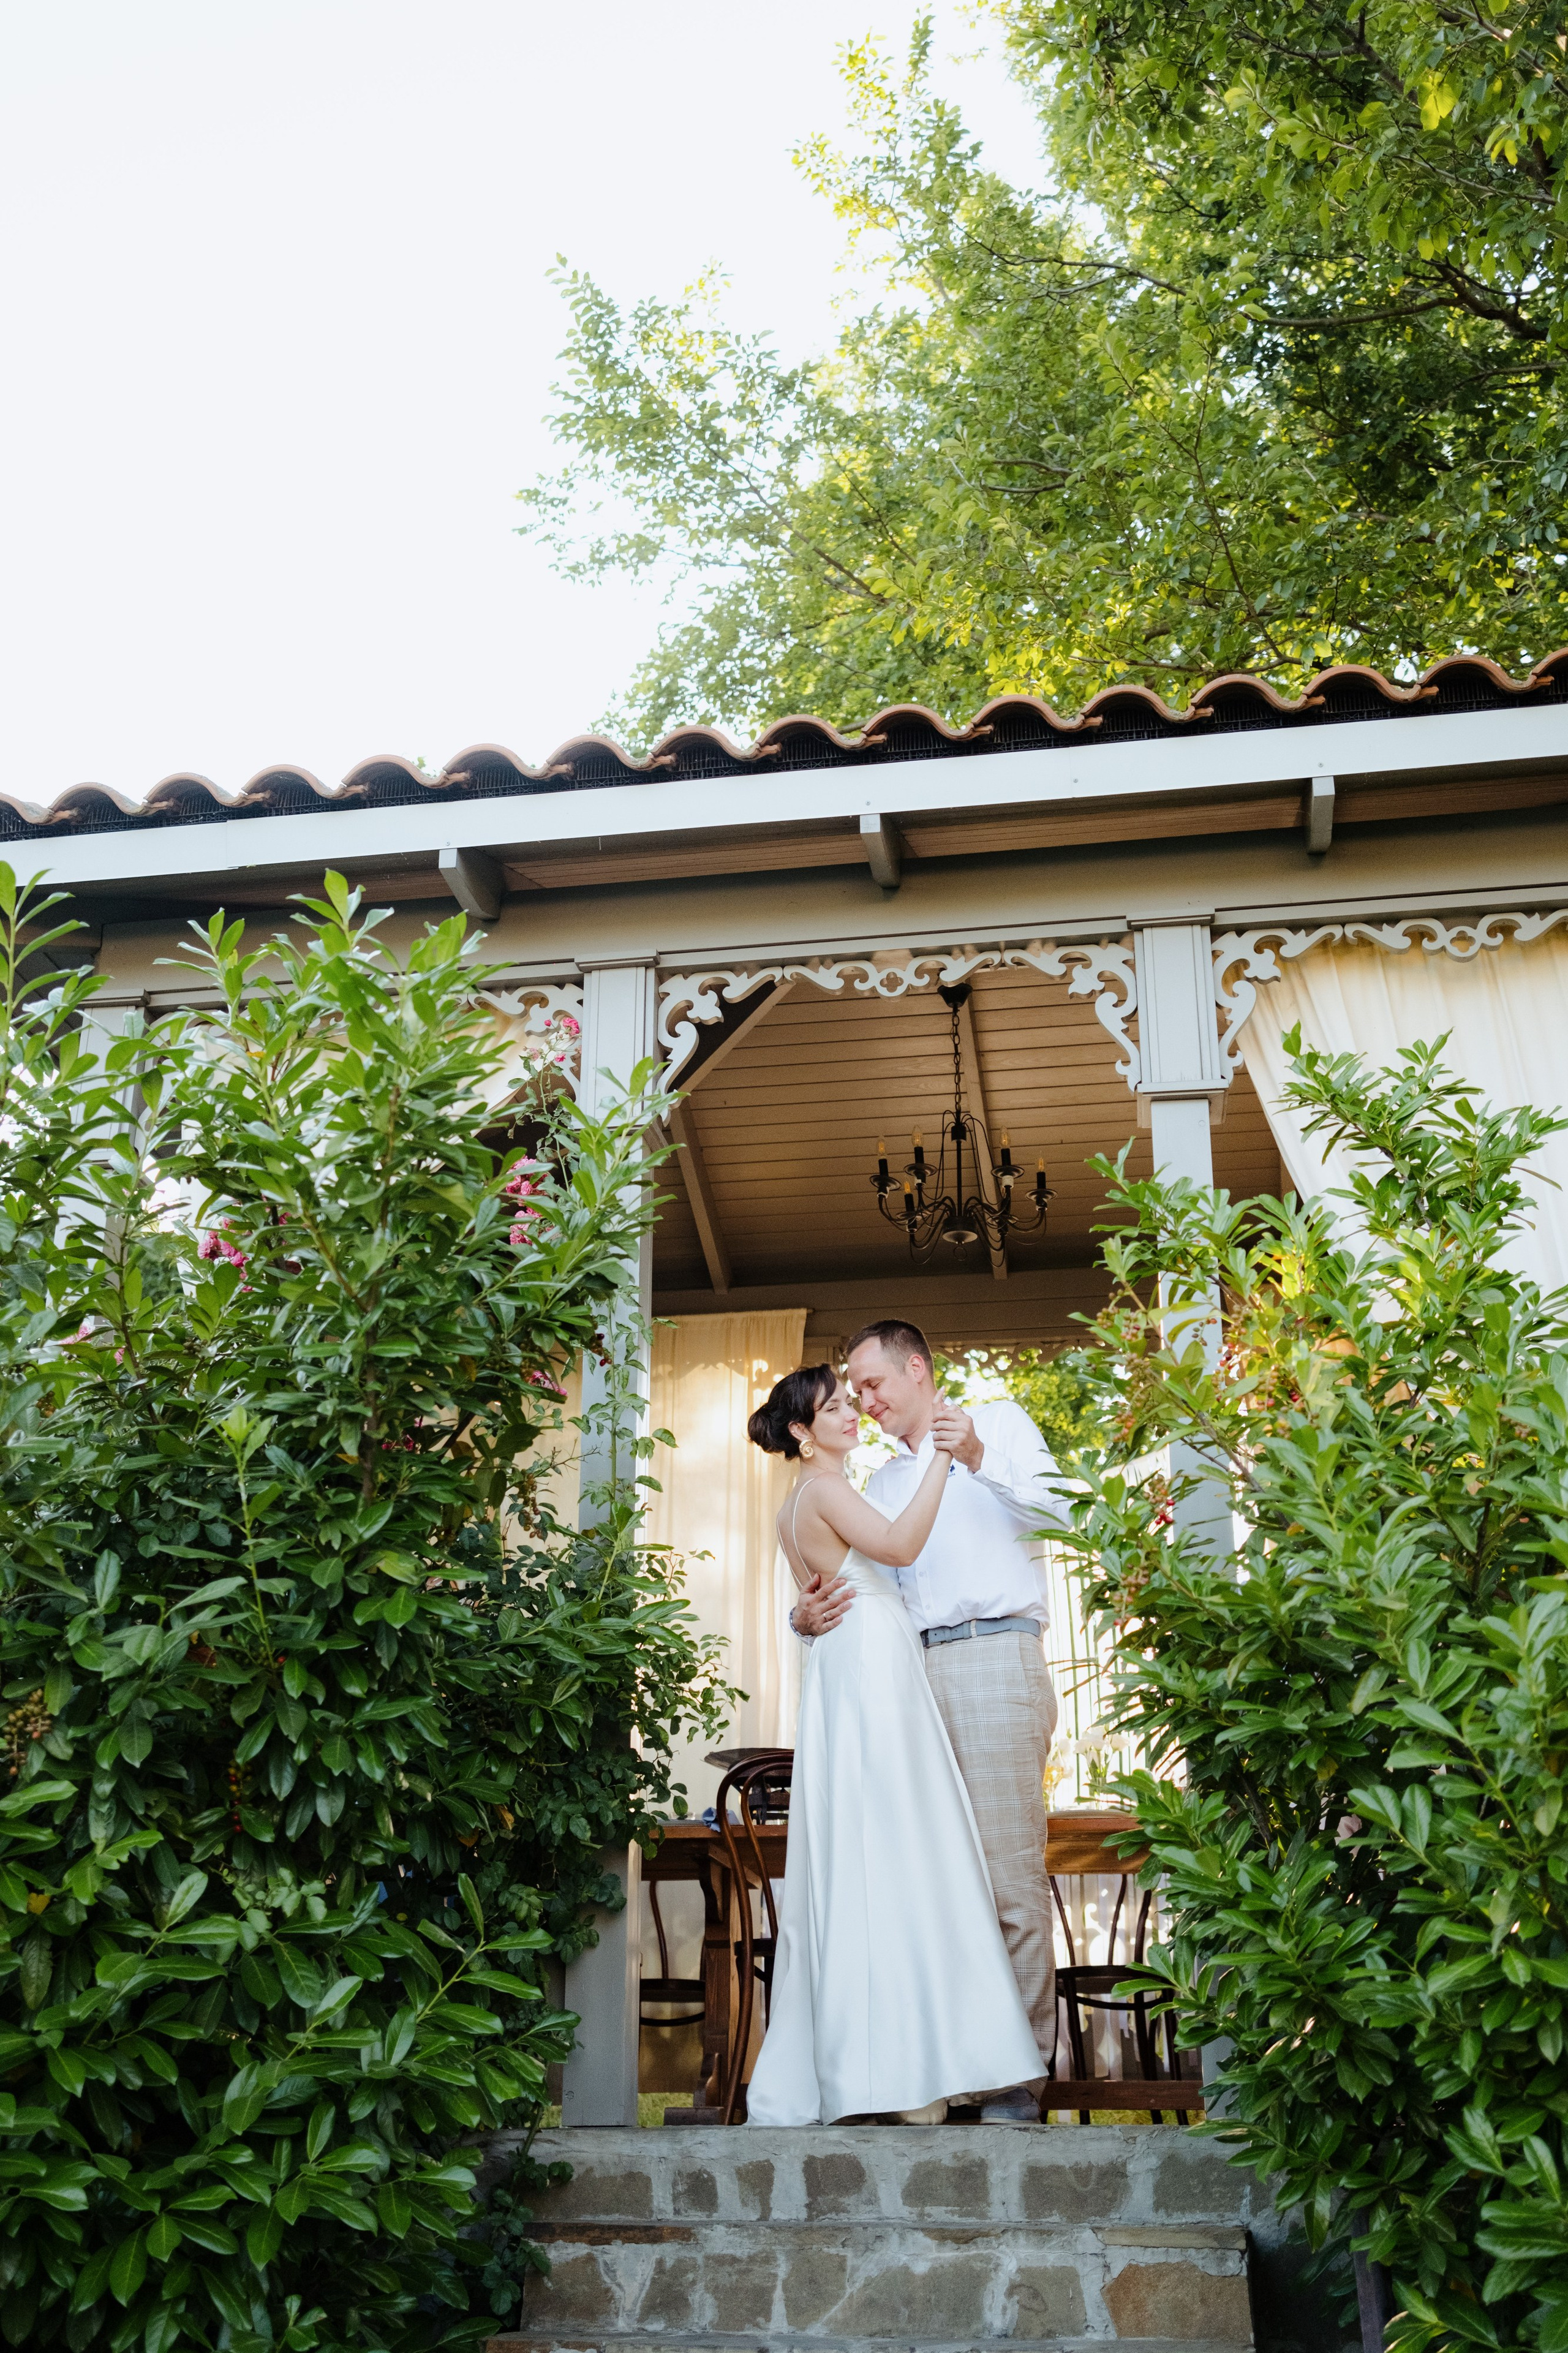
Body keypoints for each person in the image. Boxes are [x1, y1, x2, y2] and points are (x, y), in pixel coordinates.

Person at [742, 1363, 1044, 2127]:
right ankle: (912, 2072)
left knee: (875, 1860)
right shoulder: (836, 1487)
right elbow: (903, 1547)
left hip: (855, 1668)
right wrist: (944, 1456)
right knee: (906, 1856)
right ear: (803, 1433)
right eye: (838, 1405)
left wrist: (798, 1618)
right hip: (873, 1669)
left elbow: (813, 1593)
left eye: (856, 1398)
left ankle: (900, 2066)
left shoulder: (801, 1502)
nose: (854, 1412)